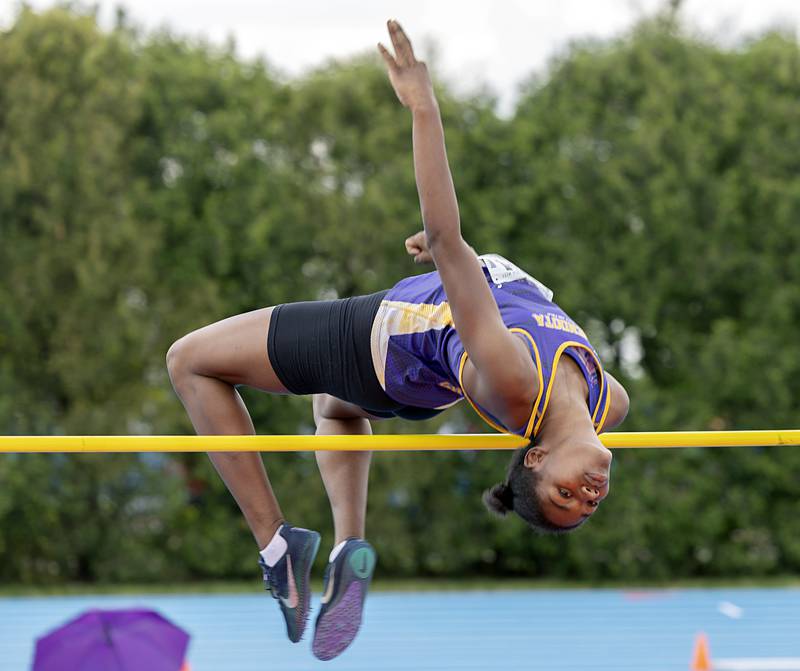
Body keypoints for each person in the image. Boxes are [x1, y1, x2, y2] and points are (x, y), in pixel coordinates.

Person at [166, 20, 629, 661]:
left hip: (374, 343)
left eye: (563, 495)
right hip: (416, 385)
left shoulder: (518, 383)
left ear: (534, 459)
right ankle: (348, 543)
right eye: (586, 504)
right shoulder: (610, 403)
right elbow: (504, 293)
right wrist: (467, 269)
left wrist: (423, 107)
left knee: (189, 362)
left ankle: (276, 550)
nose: (587, 494)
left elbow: (449, 240)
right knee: (333, 408)